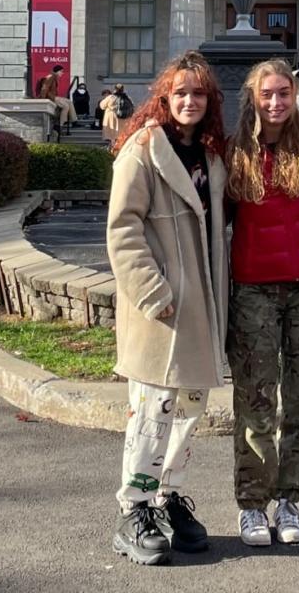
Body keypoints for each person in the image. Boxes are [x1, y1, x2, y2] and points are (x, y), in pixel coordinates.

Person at [106, 51, 229, 566]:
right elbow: (122, 229)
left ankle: (167, 496)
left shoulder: (212, 156)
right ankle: (133, 509)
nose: (189, 101)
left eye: (198, 93)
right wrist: (154, 293)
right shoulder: (142, 149)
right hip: (162, 307)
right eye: (180, 92)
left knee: (189, 411)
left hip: (202, 309)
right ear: (165, 96)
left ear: (210, 100)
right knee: (153, 412)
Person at [225, 59, 299, 548]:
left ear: (297, 95)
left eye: (284, 93)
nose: (275, 102)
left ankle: (290, 498)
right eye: (267, 94)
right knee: (256, 397)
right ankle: (252, 504)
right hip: (253, 287)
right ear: (253, 97)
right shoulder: (233, 152)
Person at [37, 64, 77, 134]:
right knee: (65, 106)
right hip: (51, 97)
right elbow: (44, 88)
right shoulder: (51, 77)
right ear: (57, 71)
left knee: (69, 101)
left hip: (54, 96)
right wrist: (43, 99)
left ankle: (74, 121)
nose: (62, 73)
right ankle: (60, 126)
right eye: (61, 71)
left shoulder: (54, 77)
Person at [101, 84, 135, 149]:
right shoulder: (127, 98)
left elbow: (102, 106)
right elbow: (132, 107)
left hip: (112, 118)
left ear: (115, 89)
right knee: (121, 135)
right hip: (124, 119)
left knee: (112, 135)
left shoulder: (110, 97)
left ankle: (113, 148)